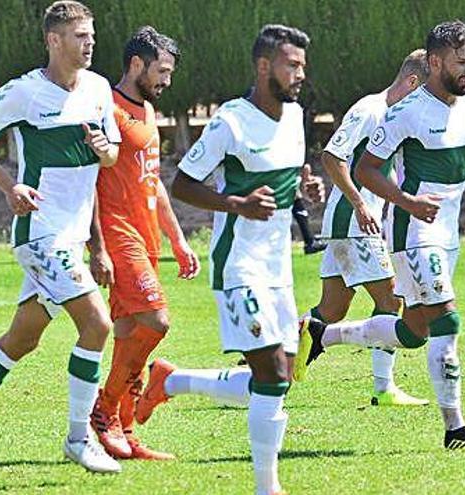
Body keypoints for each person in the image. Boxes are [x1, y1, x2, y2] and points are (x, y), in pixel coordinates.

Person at [297, 20, 465, 451]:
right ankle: (456, 430)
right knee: (447, 319)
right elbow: (364, 168)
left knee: (413, 330)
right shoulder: (404, 112)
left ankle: (322, 334)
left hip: (447, 232)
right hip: (414, 232)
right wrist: (406, 202)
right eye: (461, 62)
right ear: (436, 61)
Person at [0, 0, 123, 480]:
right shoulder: (24, 92)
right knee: (97, 325)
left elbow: (111, 158)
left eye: (91, 35)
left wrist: (106, 151)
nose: (90, 43)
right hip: (40, 233)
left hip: (72, 238)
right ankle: (79, 440)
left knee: (23, 338)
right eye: (80, 35)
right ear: (53, 40)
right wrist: (8, 185)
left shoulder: (99, 89)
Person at [136, 25, 325, 495]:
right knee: (273, 374)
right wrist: (236, 203)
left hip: (278, 268)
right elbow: (183, 184)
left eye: (302, 65)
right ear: (265, 67)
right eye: (291, 64)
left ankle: (171, 381)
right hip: (238, 265)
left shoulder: (297, 115)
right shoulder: (230, 122)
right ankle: (267, 487)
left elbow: (286, 176)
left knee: (275, 379)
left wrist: (305, 187)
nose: (300, 73)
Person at [86, 26, 200, 461]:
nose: (166, 81)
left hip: (146, 235)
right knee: (156, 321)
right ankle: (105, 409)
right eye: (162, 71)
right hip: (117, 233)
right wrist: (96, 246)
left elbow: (153, 182)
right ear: (137, 64)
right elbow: (90, 183)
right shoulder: (105, 108)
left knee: (130, 333)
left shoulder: (147, 112)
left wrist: (178, 239)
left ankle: (125, 435)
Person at [296, 49, 431, 407]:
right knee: (391, 299)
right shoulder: (370, 110)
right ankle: (383, 388)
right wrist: (359, 204)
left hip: (357, 224)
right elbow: (331, 156)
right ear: (413, 82)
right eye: (426, 92)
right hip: (354, 223)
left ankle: (265, 361)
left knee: (331, 309)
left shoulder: (396, 116)